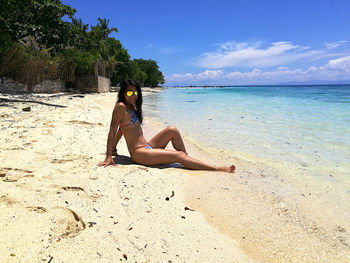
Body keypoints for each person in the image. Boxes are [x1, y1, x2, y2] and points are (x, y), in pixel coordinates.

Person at [98, 79, 235, 173]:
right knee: (178, 155)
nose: (133, 95)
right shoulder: (121, 107)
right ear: (123, 93)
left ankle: (186, 160)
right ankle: (217, 168)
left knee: (172, 130)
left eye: (135, 92)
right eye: (129, 92)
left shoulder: (132, 107)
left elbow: (123, 130)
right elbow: (112, 130)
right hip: (139, 154)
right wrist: (109, 155)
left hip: (147, 147)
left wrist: (115, 148)